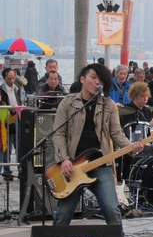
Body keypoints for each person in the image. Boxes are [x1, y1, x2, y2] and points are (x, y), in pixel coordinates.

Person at [52, 64, 143, 227]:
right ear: (82, 79)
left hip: (101, 164)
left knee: (112, 210)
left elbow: (116, 133)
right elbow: (59, 134)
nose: (97, 82)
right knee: (63, 214)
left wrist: (131, 146)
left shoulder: (108, 105)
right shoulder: (68, 103)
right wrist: (64, 159)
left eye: (100, 79)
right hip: (73, 165)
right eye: (93, 78)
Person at [0, 68, 23, 176]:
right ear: (4, 78)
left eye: (13, 78)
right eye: (9, 78)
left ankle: (20, 170)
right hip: (6, 122)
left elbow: (19, 101)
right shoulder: (1, 90)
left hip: (17, 120)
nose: (12, 81)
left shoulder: (17, 89)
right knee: (7, 148)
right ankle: (7, 171)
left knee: (19, 147)